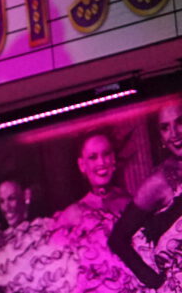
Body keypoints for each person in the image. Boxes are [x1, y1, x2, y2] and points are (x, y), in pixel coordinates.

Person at [54, 130, 147, 293]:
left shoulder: (131, 203)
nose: (101, 162)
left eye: (106, 154)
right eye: (93, 157)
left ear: (114, 159)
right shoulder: (72, 215)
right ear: (82, 165)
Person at [110, 99, 182, 291]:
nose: (174, 134)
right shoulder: (159, 182)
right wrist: (156, 282)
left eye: (180, 122)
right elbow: (118, 240)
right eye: (165, 128)